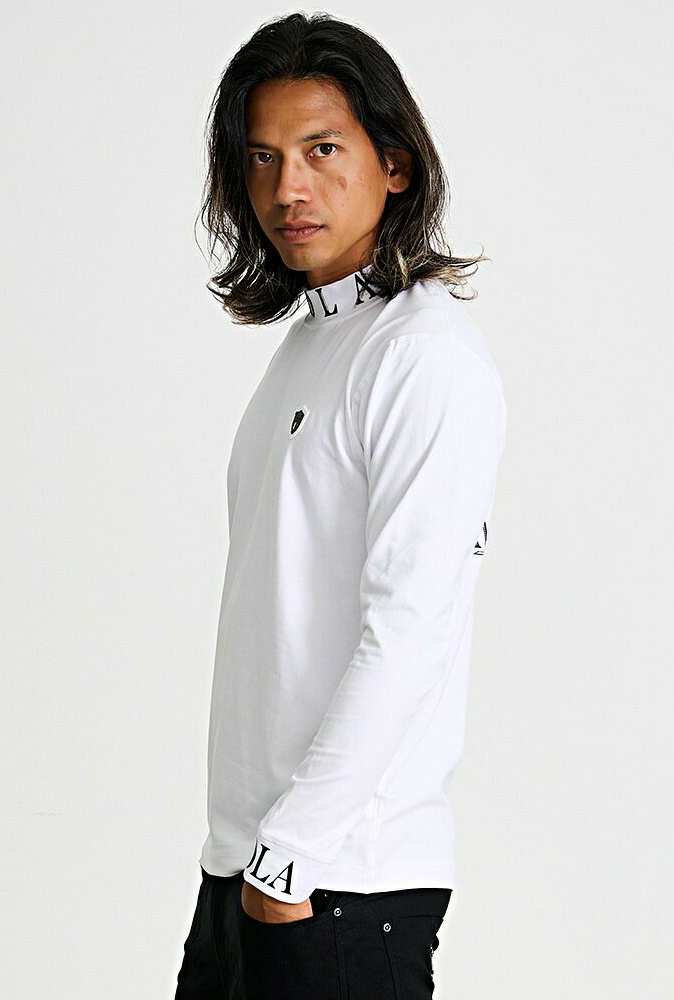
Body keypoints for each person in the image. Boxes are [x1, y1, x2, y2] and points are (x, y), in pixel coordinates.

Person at [176, 12, 508, 999]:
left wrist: (289, 861)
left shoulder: (423, 354)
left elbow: (411, 624)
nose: (289, 188)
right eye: (264, 157)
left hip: (339, 882)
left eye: (322, 150)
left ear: (394, 164)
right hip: (249, 869)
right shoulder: (311, 343)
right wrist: (250, 865)